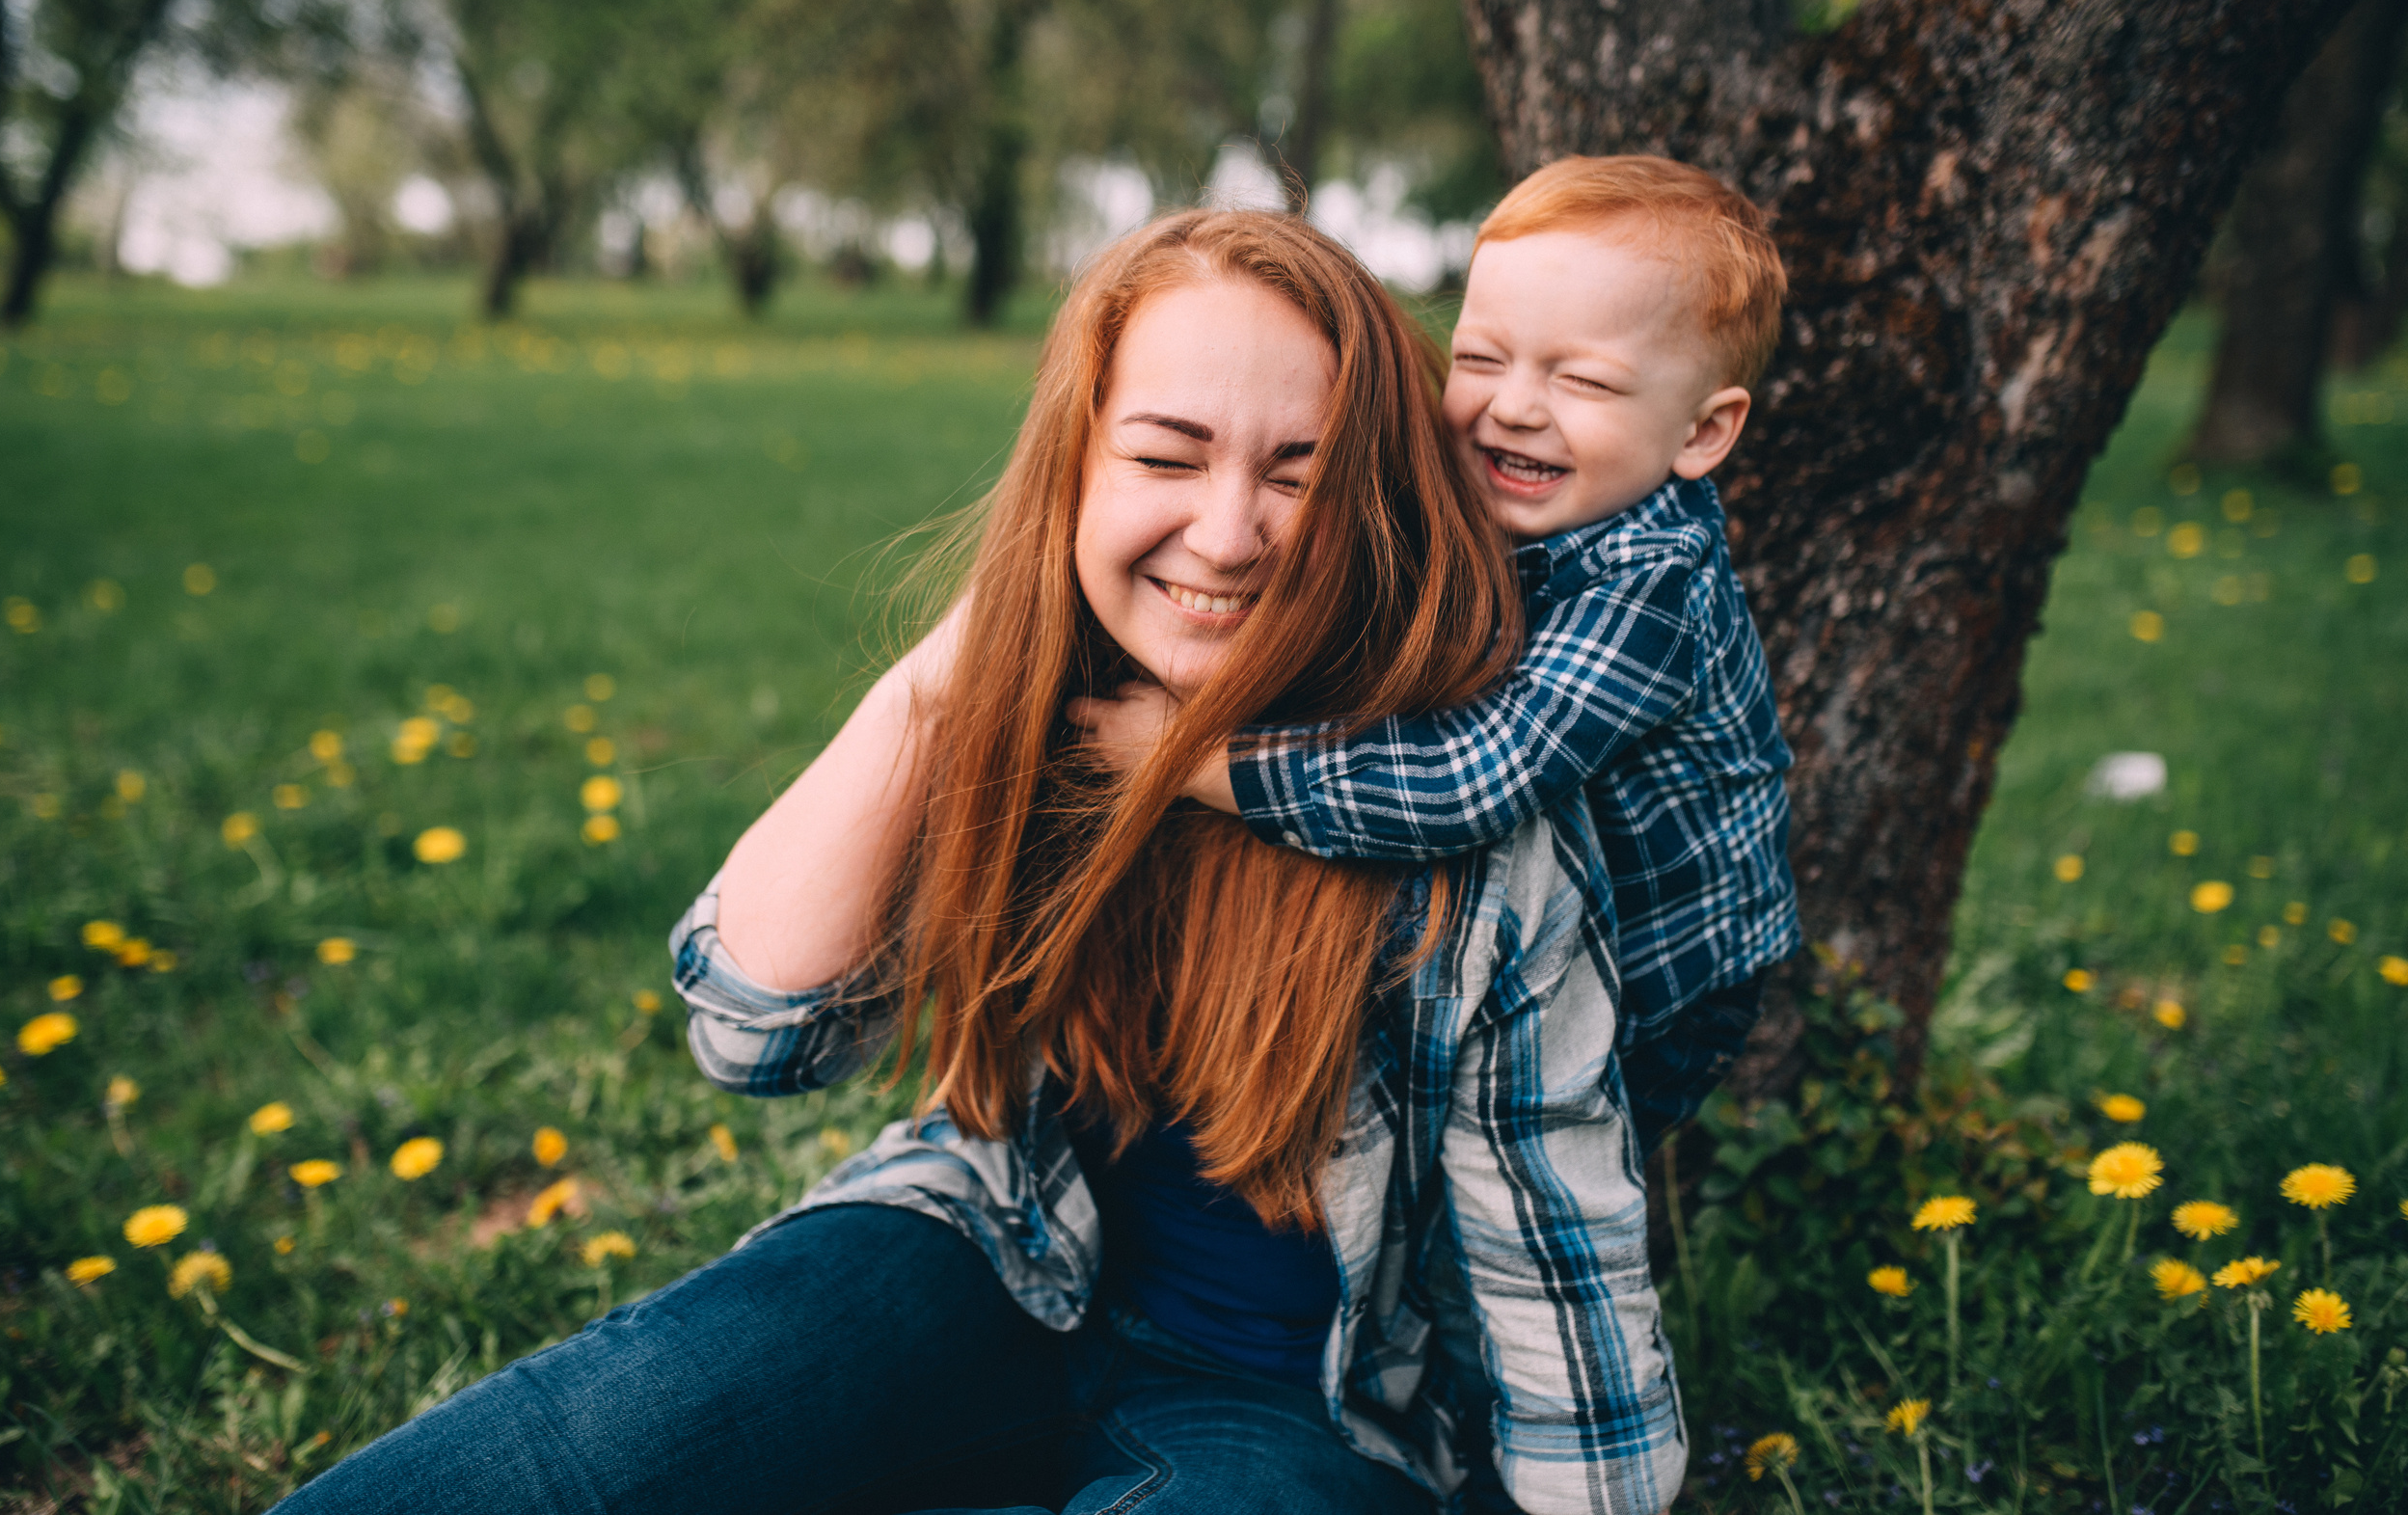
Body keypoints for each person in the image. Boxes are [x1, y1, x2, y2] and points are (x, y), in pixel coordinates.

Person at [276, 209, 1683, 1515]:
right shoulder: (1032, 735)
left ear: (1371, 503)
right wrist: (955, 676)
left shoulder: (1461, 840)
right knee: (560, 1457)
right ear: (1074, 466)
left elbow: (1558, 1262)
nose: (1228, 532)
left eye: (1297, 474)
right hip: (987, 1252)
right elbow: (754, 1035)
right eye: (1166, 454)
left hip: (1289, 1407)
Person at [1072, 155, 1800, 1147]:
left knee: (1543, 1142)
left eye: (1580, 379)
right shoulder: (1521, 500)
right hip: (1560, 922)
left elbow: (1470, 777)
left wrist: (1195, 762)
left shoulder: (1653, 585)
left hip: (1665, 972)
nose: (1514, 406)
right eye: (1483, 358)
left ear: (1703, 432)